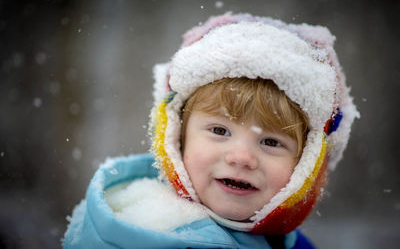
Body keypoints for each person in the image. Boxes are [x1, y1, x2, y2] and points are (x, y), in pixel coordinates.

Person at [63, 12, 359, 248]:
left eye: (271, 141)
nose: (241, 157)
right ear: (177, 139)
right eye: (219, 130)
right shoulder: (143, 234)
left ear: (306, 166)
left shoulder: (289, 243)